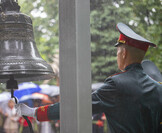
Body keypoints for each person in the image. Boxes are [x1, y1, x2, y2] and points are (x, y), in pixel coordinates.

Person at [15, 22, 162, 133]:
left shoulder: (117, 84)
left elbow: (78, 106)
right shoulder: (158, 88)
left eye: (117, 52)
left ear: (123, 53)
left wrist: (35, 112)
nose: (117, 56)